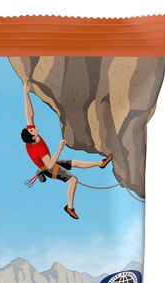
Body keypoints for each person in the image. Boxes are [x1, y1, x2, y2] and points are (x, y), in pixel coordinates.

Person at [21, 80, 112, 220]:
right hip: (49, 168)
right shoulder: (38, 149)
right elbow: (50, 164)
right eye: (32, 130)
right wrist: (60, 148)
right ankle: (69, 207)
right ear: (33, 137)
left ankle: (101, 164)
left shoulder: (31, 137)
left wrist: (26, 94)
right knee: (73, 180)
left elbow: (29, 115)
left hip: (46, 164)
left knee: (74, 163)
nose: (32, 128)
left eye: (31, 129)